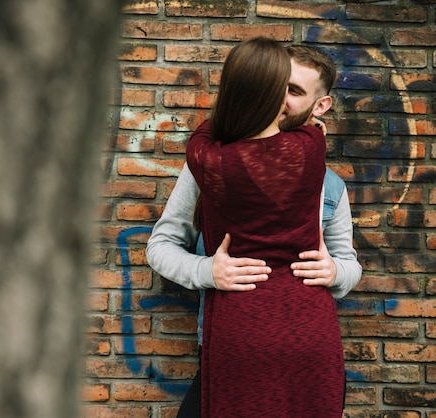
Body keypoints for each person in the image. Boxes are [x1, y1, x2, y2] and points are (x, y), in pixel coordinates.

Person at [147, 40, 361, 417]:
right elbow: (160, 246)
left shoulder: (331, 187)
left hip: (302, 349)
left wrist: (335, 271)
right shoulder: (211, 169)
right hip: (226, 348)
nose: (278, 98)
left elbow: (350, 265)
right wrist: (207, 270)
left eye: (294, 91)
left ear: (320, 105)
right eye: (273, 84)